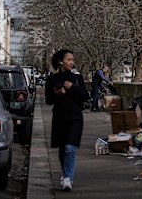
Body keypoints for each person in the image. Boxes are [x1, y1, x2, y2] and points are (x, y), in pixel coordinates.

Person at [45, 49, 89, 191]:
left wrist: (72, 87)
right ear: (60, 61)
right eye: (68, 59)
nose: (71, 62)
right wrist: (56, 93)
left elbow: (85, 96)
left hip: (75, 117)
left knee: (70, 148)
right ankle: (65, 175)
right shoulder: (52, 79)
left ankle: (68, 178)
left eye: (72, 59)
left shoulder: (77, 78)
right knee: (63, 149)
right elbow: (48, 100)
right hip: (59, 117)